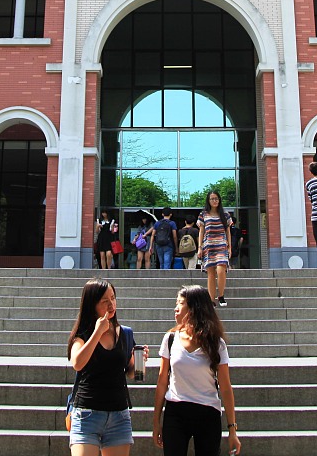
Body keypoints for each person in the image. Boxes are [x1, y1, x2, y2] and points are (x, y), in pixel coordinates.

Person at [152, 285, 241, 456]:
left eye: (181, 303)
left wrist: (232, 429)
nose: (176, 308)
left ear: (194, 308)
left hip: (207, 412)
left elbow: (225, 387)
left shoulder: (216, 344)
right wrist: (156, 421)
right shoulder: (171, 339)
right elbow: (162, 381)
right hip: (176, 411)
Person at [67, 278, 147, 456]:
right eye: (104, 301)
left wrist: (139, 362)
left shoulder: (125, 333)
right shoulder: (83, 335)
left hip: (119, 414)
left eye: (113, 298)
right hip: (87, 414)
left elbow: (134, 374)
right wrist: (97, 332)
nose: (111, 304)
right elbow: (77, 363)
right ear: (92, 304)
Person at [198, 191, 232, 306]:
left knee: (221, 270)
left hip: (222, 245)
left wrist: (230, 247)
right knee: (211, 273)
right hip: (209, 245)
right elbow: (201, 231)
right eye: (212, 199)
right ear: (208, 201)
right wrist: (200, 247)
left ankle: (221, 296)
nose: (215, 201)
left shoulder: (225, 214)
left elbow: (228, 231)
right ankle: (211, 300)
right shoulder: (204, 214)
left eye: (216, 198)